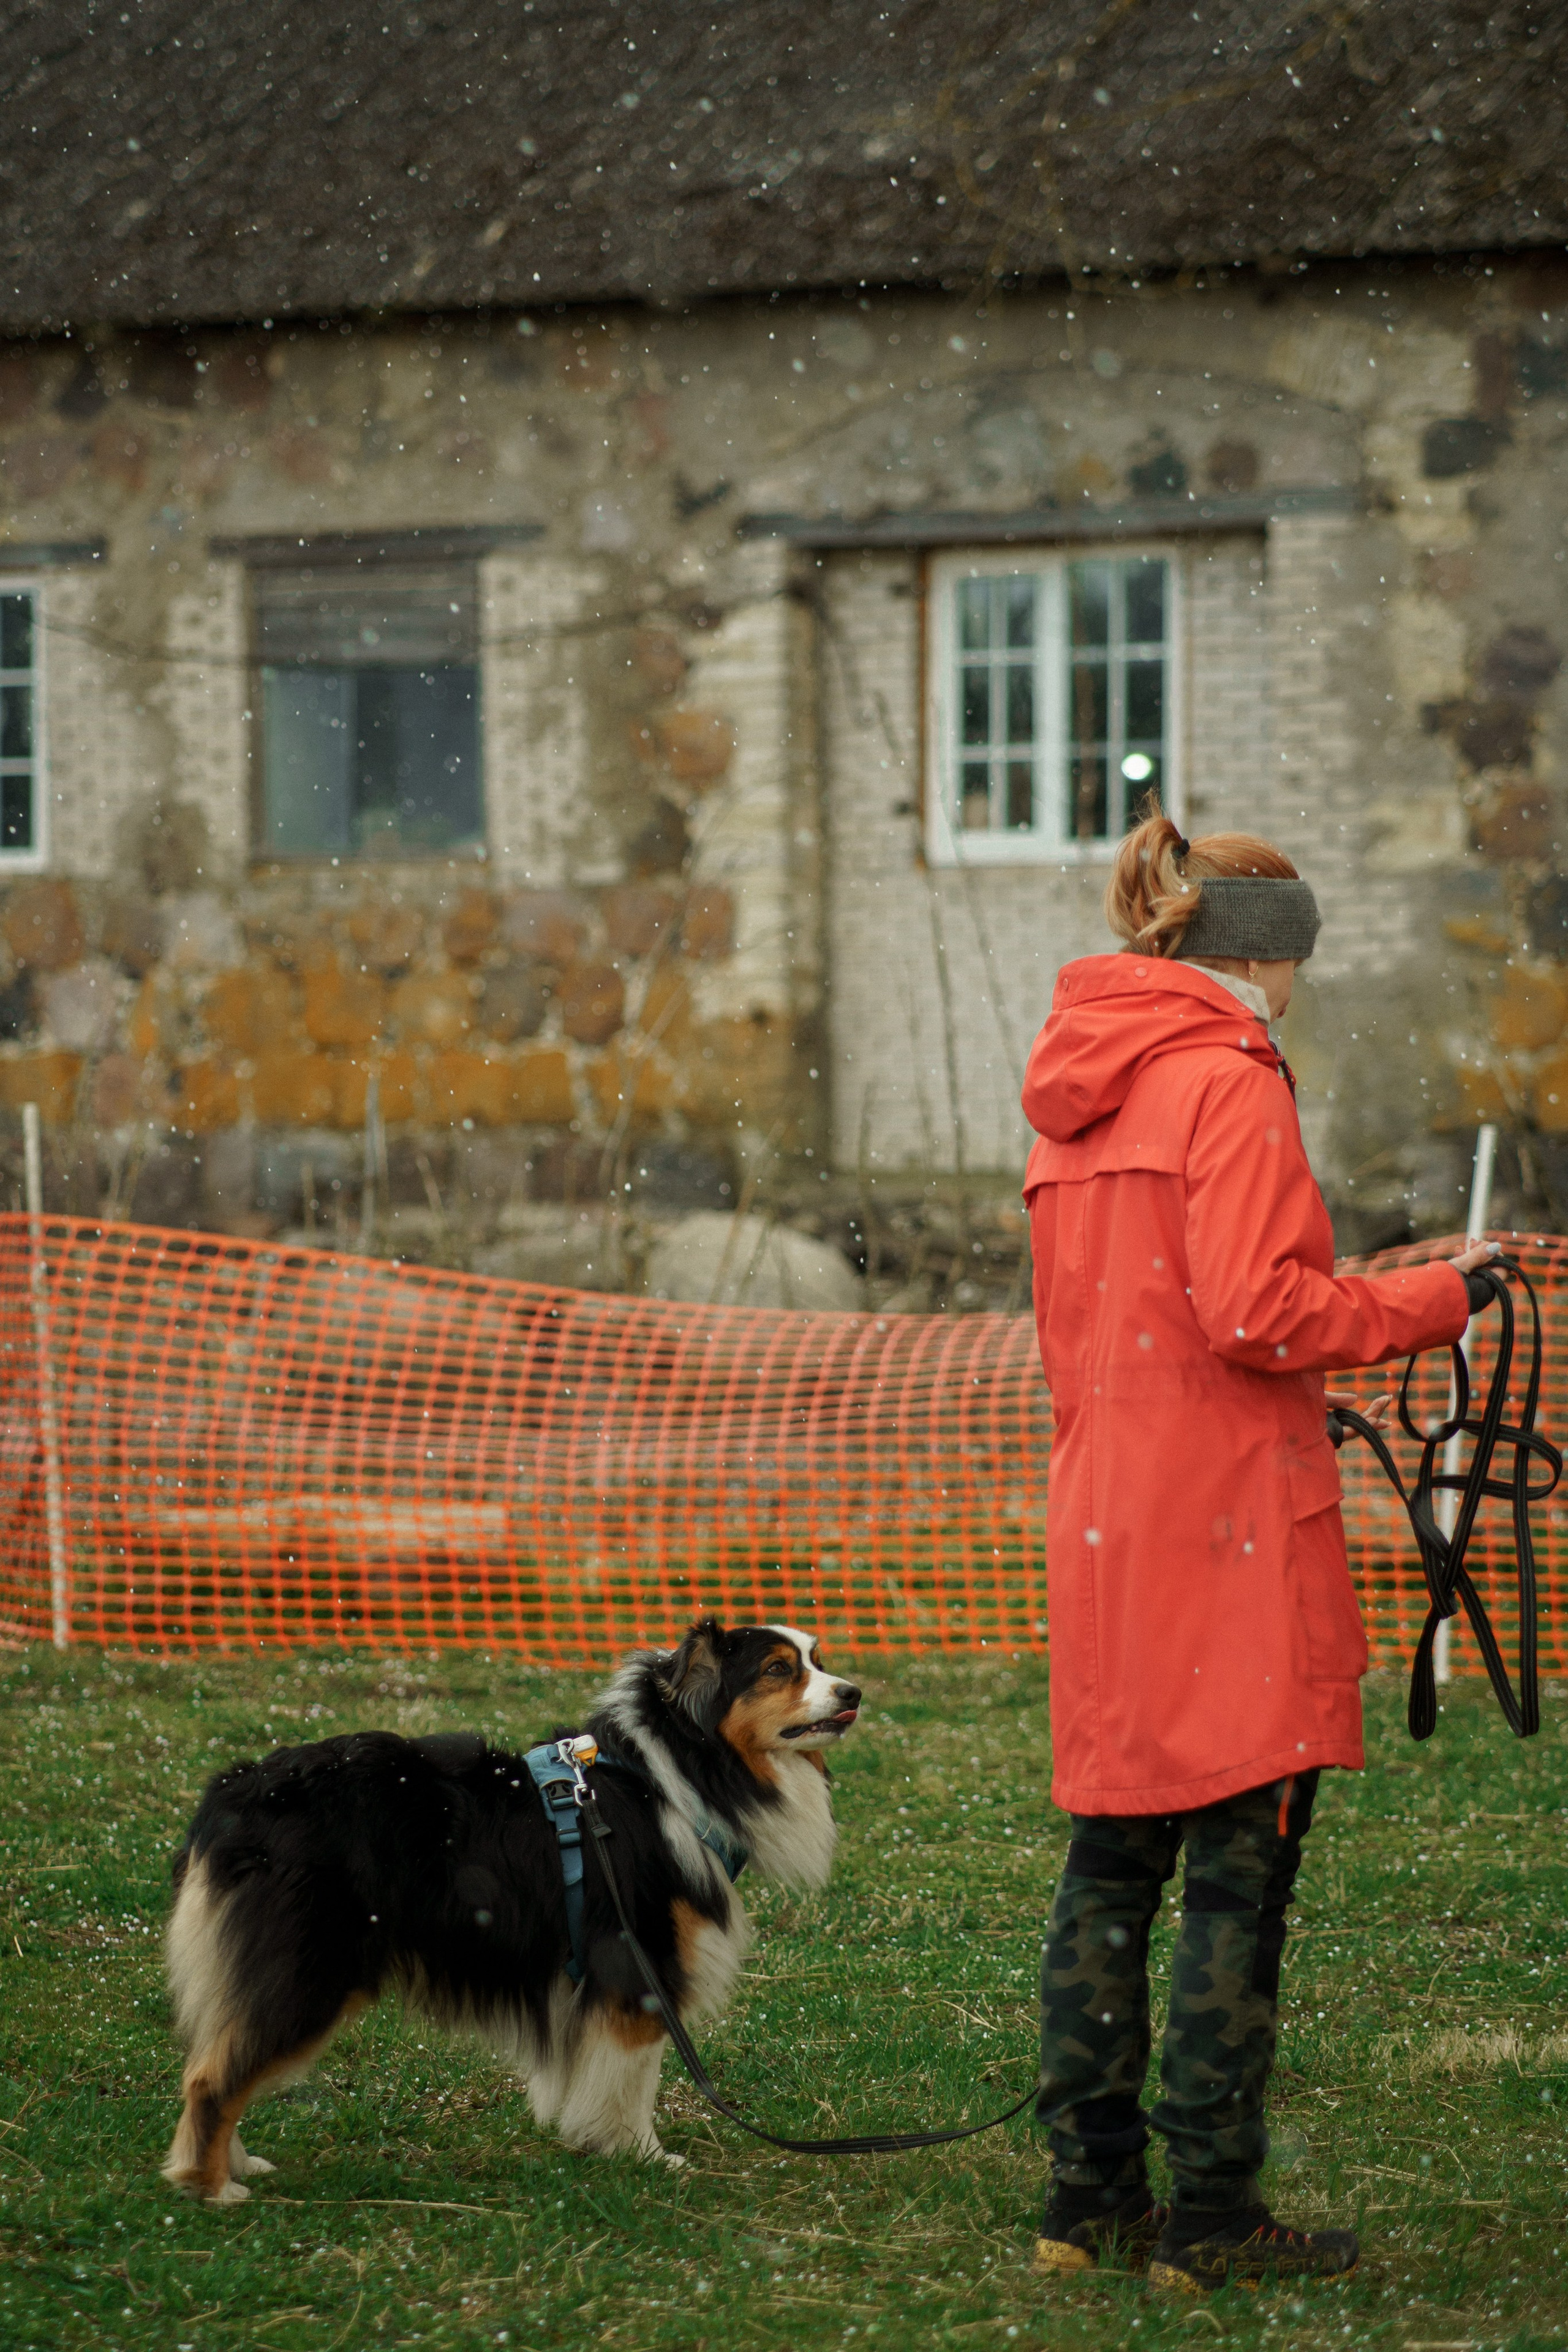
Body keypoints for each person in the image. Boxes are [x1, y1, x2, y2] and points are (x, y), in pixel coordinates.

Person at [1021, 804, 1500, 2294]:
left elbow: (1111, 1326)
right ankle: (1212, 2219)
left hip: (1107, 1518)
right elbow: (1259, 1313)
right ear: (1258, 958)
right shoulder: (1227, 1079)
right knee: (1238, 1871)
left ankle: (1082, 2199)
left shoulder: (1082, 1090)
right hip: (1226, 1529)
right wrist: (1432, 1299)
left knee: (1110, 1865)